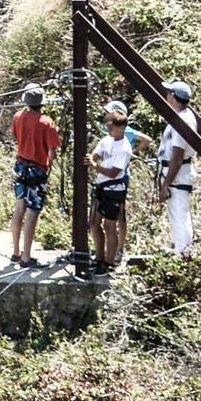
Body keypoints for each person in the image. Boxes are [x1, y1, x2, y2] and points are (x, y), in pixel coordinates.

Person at [10, 83, 60, 268]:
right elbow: (52, 151)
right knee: (33, 211)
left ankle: (16, 252)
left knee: (19, 206)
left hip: (21, 165)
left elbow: (17, 137)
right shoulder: (46, 122)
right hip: (37, 169)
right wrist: (49, 168)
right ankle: (26, 257)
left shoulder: (18, 117)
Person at [102, 100, 153, 264]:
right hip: (108, 176)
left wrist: (133, 152)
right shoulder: (109, 130)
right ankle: (112, 250)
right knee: (110, 216)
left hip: (120, 177)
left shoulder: (125, 131)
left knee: (119, 215)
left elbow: (147, 139)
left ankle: (120, 250)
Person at [86, 110, 133, 275]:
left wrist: (94, 166)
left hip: (114, 188)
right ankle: (98, 258)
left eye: (110, 127)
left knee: (109, 225)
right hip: (101, 185)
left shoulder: (125, 148)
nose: (108, 130)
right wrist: (91, 159)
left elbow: (114, 172)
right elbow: (96, 154)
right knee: (94, 223)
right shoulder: (107, 140)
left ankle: (108, 261)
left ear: (119, 128)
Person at [157, 80, 198, 256]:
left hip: (178, 176)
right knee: (178, 216)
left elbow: (177, 157)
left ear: (173, 97)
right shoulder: (184, 117)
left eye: (169, 93)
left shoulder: (183, 121)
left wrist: (166, 184)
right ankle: (182, 253)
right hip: (178, 174)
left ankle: (184, 256)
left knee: (180, 217)